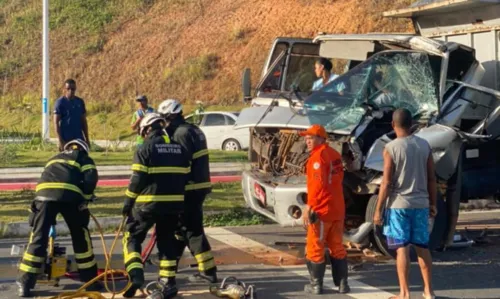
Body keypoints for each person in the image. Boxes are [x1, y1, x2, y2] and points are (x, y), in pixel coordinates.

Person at [16, 139, 100, 297]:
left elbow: (44, 178)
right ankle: (90, 281)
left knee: (38, 237)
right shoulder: (83, 157)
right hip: (70, 198)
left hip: (43, 197)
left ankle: (25, 283)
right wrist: (86, 198)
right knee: (80, 236)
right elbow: (90, 178)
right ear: (84, 149)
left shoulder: (53, 158)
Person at [121, 113, 190, 298]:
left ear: (148, 129)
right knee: (167, 242)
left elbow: (137, 180)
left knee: (132, 237)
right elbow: (186, 177)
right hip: (174, 206)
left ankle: (135, 276)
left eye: (143, 132)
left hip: (147, 205)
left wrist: (128, 203)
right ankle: (168, 283)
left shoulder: (145, 148)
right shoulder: (180, 149)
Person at [373, 108, 437, 299]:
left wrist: (378, 210)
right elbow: (432, 178)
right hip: (421, 204)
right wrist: (432, 203)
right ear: (412, 125)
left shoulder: (391, 148)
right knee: (422, 248)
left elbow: (386, 182)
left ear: (393, 125)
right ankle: (428, 291)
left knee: (402, 249)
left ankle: (404, 293)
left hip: (398, 206)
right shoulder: (424, 146)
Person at [158, 99, 217, 284]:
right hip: (198, 187)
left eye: (164, 119)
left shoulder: (180, 133)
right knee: (180, 229)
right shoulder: (193, 129)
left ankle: (209, 271)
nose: (164, 124)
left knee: (192, 230)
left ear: (172, 115)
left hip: (188, 188)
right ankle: (170, 269)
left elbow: (179, 162)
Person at [299, 124, 350, 295]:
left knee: (315, 247)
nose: (307, 141)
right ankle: (343, 285)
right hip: (337, 208)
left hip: (321, 211)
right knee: (337, 246)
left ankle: (316, 285)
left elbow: (317, 186)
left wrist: (309, 207)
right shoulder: (334, 154)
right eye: (306, 138)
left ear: (321, 138)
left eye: (311, 137)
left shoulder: (316, 158)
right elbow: (338, 179)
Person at [53, 79, 90, 151]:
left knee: (80, 159)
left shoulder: (79, 102)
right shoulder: (60, 102)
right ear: (64, 89)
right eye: (68, 89)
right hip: (66, 138)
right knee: (67, 160)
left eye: (72, 89)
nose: (70, 91)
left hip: (78, 138)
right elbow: (56, 123)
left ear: (75, 89)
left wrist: (87, 139)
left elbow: (83, 121)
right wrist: (60, 141)